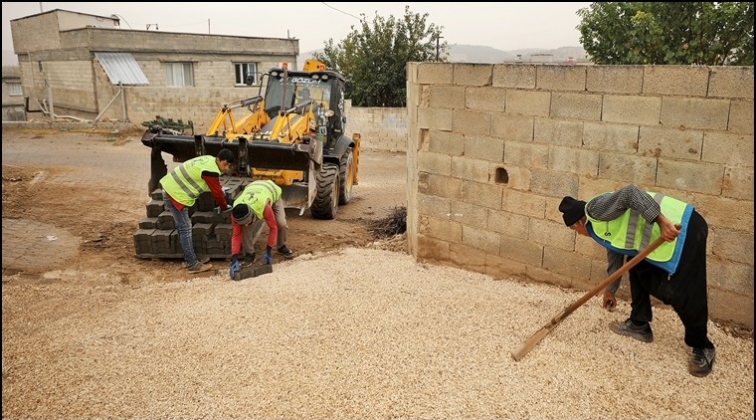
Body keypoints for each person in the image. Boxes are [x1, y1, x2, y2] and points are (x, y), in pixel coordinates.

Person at [558, 184, 716, 377]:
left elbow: (630, 193)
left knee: (682, 291)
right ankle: (639, 324)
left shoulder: (595, 210)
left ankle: (703, 346)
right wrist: (611, 290)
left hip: (684, 227)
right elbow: (615, 252)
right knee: (636, 267)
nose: (577, 234)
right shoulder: (597, 225)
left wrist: (661, 221)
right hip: (666, 233)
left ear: (578, 223)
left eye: (574, 230)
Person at [160, 149, 235, 273]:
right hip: (175, 195)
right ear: (218, 159)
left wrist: (220, 190)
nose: (226, 168)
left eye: (229, 165)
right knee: (185, 228)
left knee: (183, 228)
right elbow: (216, 193)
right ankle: (191, 264)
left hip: (171, 188)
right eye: (225, 164)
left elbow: (215, 186)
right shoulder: (211, 170)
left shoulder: (209, 160)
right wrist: (224, 207)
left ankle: (190, 257)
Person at [228, 180, 295, 279]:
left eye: (247, 222)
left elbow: (273, 228)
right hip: (253, 188)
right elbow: (236, 235)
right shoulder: (236, 213)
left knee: (281, 224)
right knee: (244, 229)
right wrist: (234, 257)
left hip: (272, 192)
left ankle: (281, 246)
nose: (246, 225)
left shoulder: (264, 207)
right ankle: (250, 253)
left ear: (252, 216)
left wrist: (268, 251)